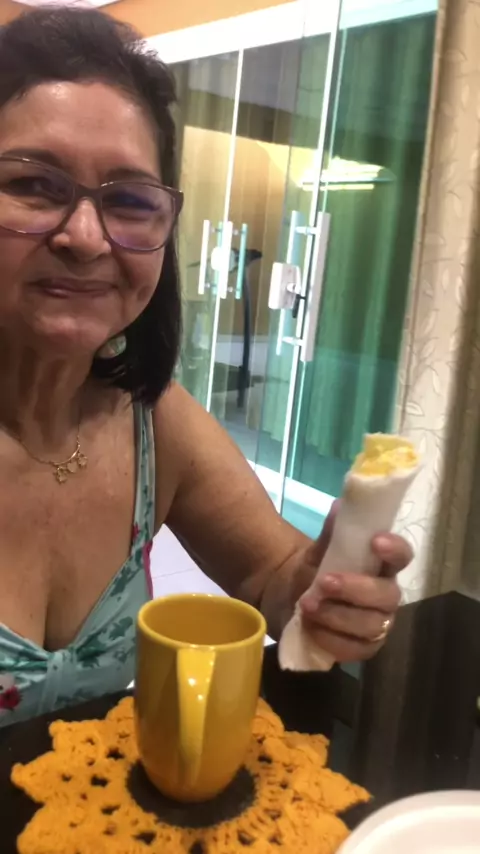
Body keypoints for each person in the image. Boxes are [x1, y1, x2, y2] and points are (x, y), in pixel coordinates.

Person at [0, 6, 411, 724]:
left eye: (131, 200)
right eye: (35, 185)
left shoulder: (153, 420)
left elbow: (272, 573)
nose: (86, 237)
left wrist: (329, 595)